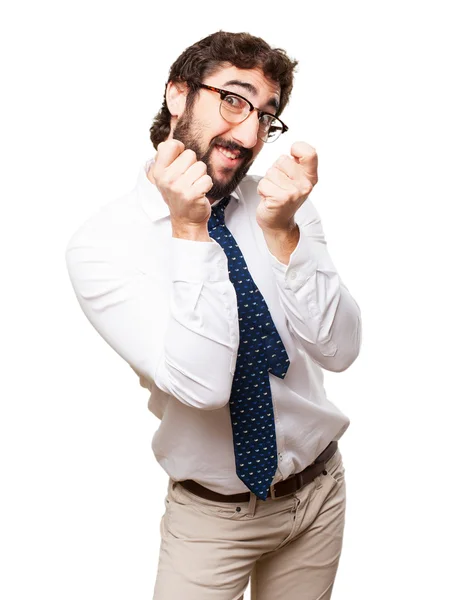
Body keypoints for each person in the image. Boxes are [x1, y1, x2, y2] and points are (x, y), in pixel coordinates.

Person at [65, 30, 362, 600]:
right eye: (234, 99)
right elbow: (202, 386)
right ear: (178, 95)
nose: (251, 133)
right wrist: (191, 233)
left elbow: (341, 351)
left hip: (320, 494)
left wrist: (284, 234)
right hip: (212, 521)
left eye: (267, 115)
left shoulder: (281, 206)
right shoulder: (102, 246)